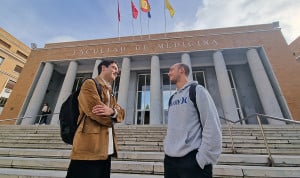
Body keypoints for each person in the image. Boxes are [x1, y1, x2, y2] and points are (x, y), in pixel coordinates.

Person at [66, 60, 125, 178]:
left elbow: (122, 113)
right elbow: (95, 112)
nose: (116, 71)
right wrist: (114, 118)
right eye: (114, 68)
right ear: (103, 68)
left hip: (105, 149)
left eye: (117, 70)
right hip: (88, 147)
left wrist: (113, 112)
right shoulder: (90, 84)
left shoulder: (110, 91)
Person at [164, 63, 222, 178]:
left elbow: (211, 124)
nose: (168, 73)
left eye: (171, 70)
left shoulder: (197, 90)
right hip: (170, 162)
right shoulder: (172, 98)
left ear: (181, 70)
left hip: (192, 161)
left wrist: (202, 159)